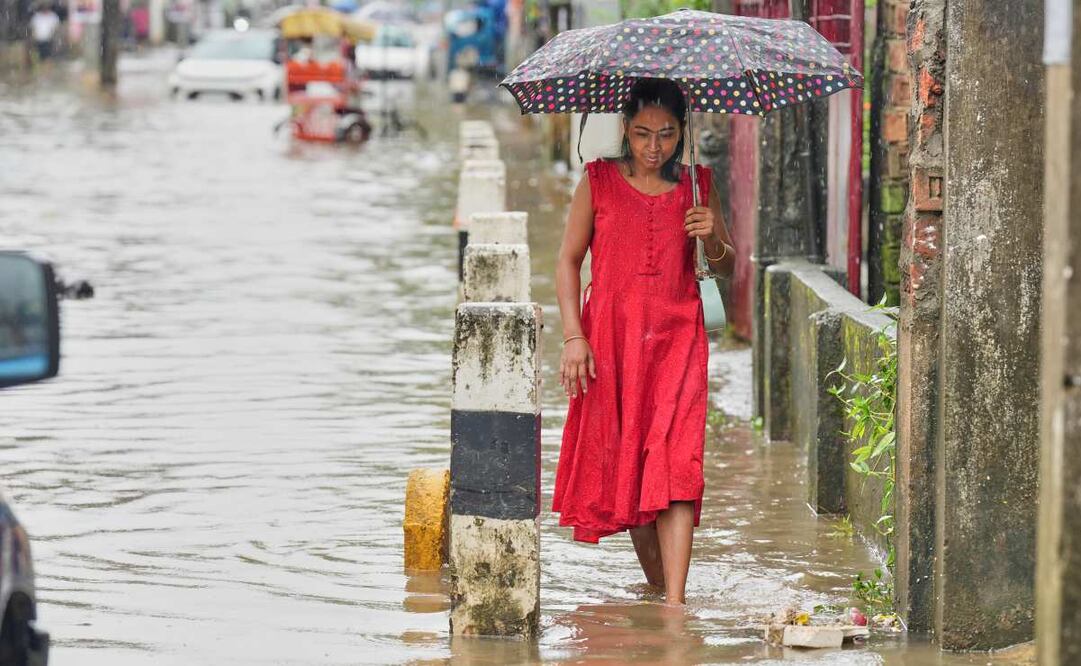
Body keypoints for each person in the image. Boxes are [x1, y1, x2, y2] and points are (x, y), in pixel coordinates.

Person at [552, 78, 736, 606]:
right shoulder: (598, 181)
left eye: (667, 134)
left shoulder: (699, 184)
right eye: (641, 134)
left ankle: (675, 606)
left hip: (679, 340)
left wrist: (712, 238)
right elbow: (568, 260)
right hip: (611, 344)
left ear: (683, 132)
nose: (654, 147)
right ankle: (660, 592)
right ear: (624, 130)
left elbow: (726, 266)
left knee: (678, 464)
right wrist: (573, 337)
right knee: (631, 472)